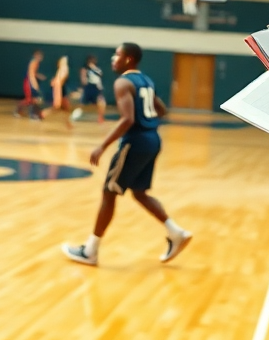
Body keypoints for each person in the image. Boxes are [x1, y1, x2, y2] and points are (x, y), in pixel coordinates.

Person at [62, 42, 192, 266]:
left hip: (136, 142)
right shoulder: (146, 80)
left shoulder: (123, 82)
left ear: (128, 59)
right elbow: (161, 110)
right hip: (153, 140)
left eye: (117, 55)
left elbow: (128, 119)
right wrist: (148, 125)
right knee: (139, 192)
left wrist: (102, 146)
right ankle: (176, 233)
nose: (113, 58)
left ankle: (90, 251)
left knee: (109, 192)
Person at [71, 55, 106, 123]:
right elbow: (83, 79)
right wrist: (82, 88)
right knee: (82, 105)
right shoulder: (85, 69)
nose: (92, 62)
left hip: (97, 88)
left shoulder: (97, 69)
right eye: (91, 61)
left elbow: (100, 74)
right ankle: (74, 116)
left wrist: (93, 67)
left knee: (101, 103)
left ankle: (100, 118)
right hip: (89, 87)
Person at [14, 50, 45, 120]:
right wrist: (34, 84)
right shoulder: (34, 62)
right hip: (29, 82)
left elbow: (33, 73)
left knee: (35, 99)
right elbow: (31, 74)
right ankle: (18, 110)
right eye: (39, 56)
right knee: (29, 100)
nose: (40, 57)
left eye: (41, 56)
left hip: (30, 82)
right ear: (35, 56)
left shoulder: (36, 63)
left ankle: (34, 114)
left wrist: (39, 76)